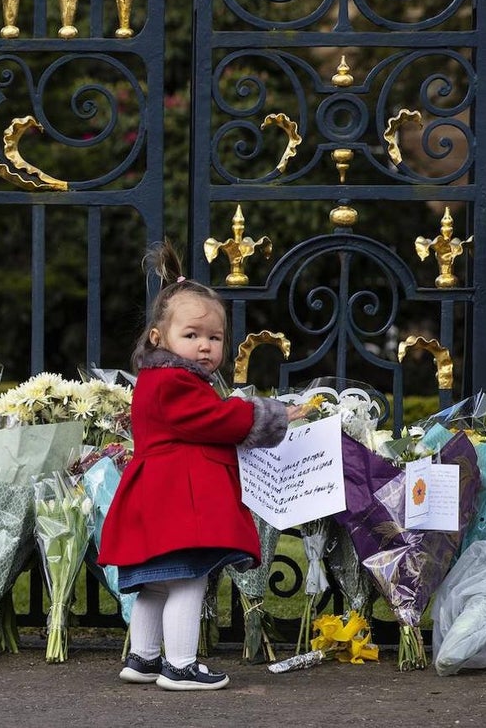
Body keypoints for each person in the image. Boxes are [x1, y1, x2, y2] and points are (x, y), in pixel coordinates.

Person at [98, 241, 302, 691]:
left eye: (214, 338)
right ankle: (181, 666)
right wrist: (272, 414)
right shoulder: (172, 382)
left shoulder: (165, 379)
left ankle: (145, 658)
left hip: (160, 498)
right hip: (178, 503)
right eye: (192, 336)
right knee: (189, 581)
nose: (205, 346)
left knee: (156, 585)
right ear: (159, 338)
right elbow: (216, 419)